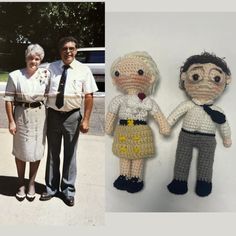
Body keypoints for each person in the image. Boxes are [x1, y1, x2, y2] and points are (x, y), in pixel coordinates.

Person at [40, 36, 98, 206]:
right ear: (60, 51)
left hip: (72, 116)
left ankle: (68, 190)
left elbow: (89, 96)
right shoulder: (51, 68)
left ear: (76, 51)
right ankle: (51, 188)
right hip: (53, 115)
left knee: (70, 154)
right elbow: (42, 88)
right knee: (52, 153)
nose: (68, 51)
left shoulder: (83, 70)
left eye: (71, 48)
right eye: (65, 48)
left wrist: (86, 119)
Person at [167, 52, 232, 197]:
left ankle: (204, 182)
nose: (206, 84)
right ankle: (179, 181)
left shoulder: (217, 111)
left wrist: (227, 138)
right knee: (182, 159)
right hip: (186, 136)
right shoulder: (188, 105)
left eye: (215, 78)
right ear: (185, 77)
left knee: (206, 162)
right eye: (196, 77)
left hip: (208, 139)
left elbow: (224, 124)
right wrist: (167, 125)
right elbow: (174, 115)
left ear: (225, 80)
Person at [105, 51, 170, 193]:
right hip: (123, 130)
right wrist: (108, 127)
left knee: (138, 155)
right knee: (124, 154)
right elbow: (111, 113)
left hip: (140, 131)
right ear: (115, 79)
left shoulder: (146, 101)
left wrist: (163, 126)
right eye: (119, 73)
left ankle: (136, 177)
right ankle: (123, 176)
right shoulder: (118, 100)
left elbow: (157, 113)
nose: (129, 76)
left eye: (139, 72)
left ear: (150, 78)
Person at [4, 44, 50, 202]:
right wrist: (11, 121)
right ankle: (21, 184)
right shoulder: (15, 75)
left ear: (40, 60)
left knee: (37, 150)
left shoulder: (45, 74)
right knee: (21, 151)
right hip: (21, 115)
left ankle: (31, 184)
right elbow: (9, 101)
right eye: (31, 58)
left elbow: (51, 95)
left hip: (40, 116)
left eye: (37, 59)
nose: (34, 61)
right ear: (26, 58)